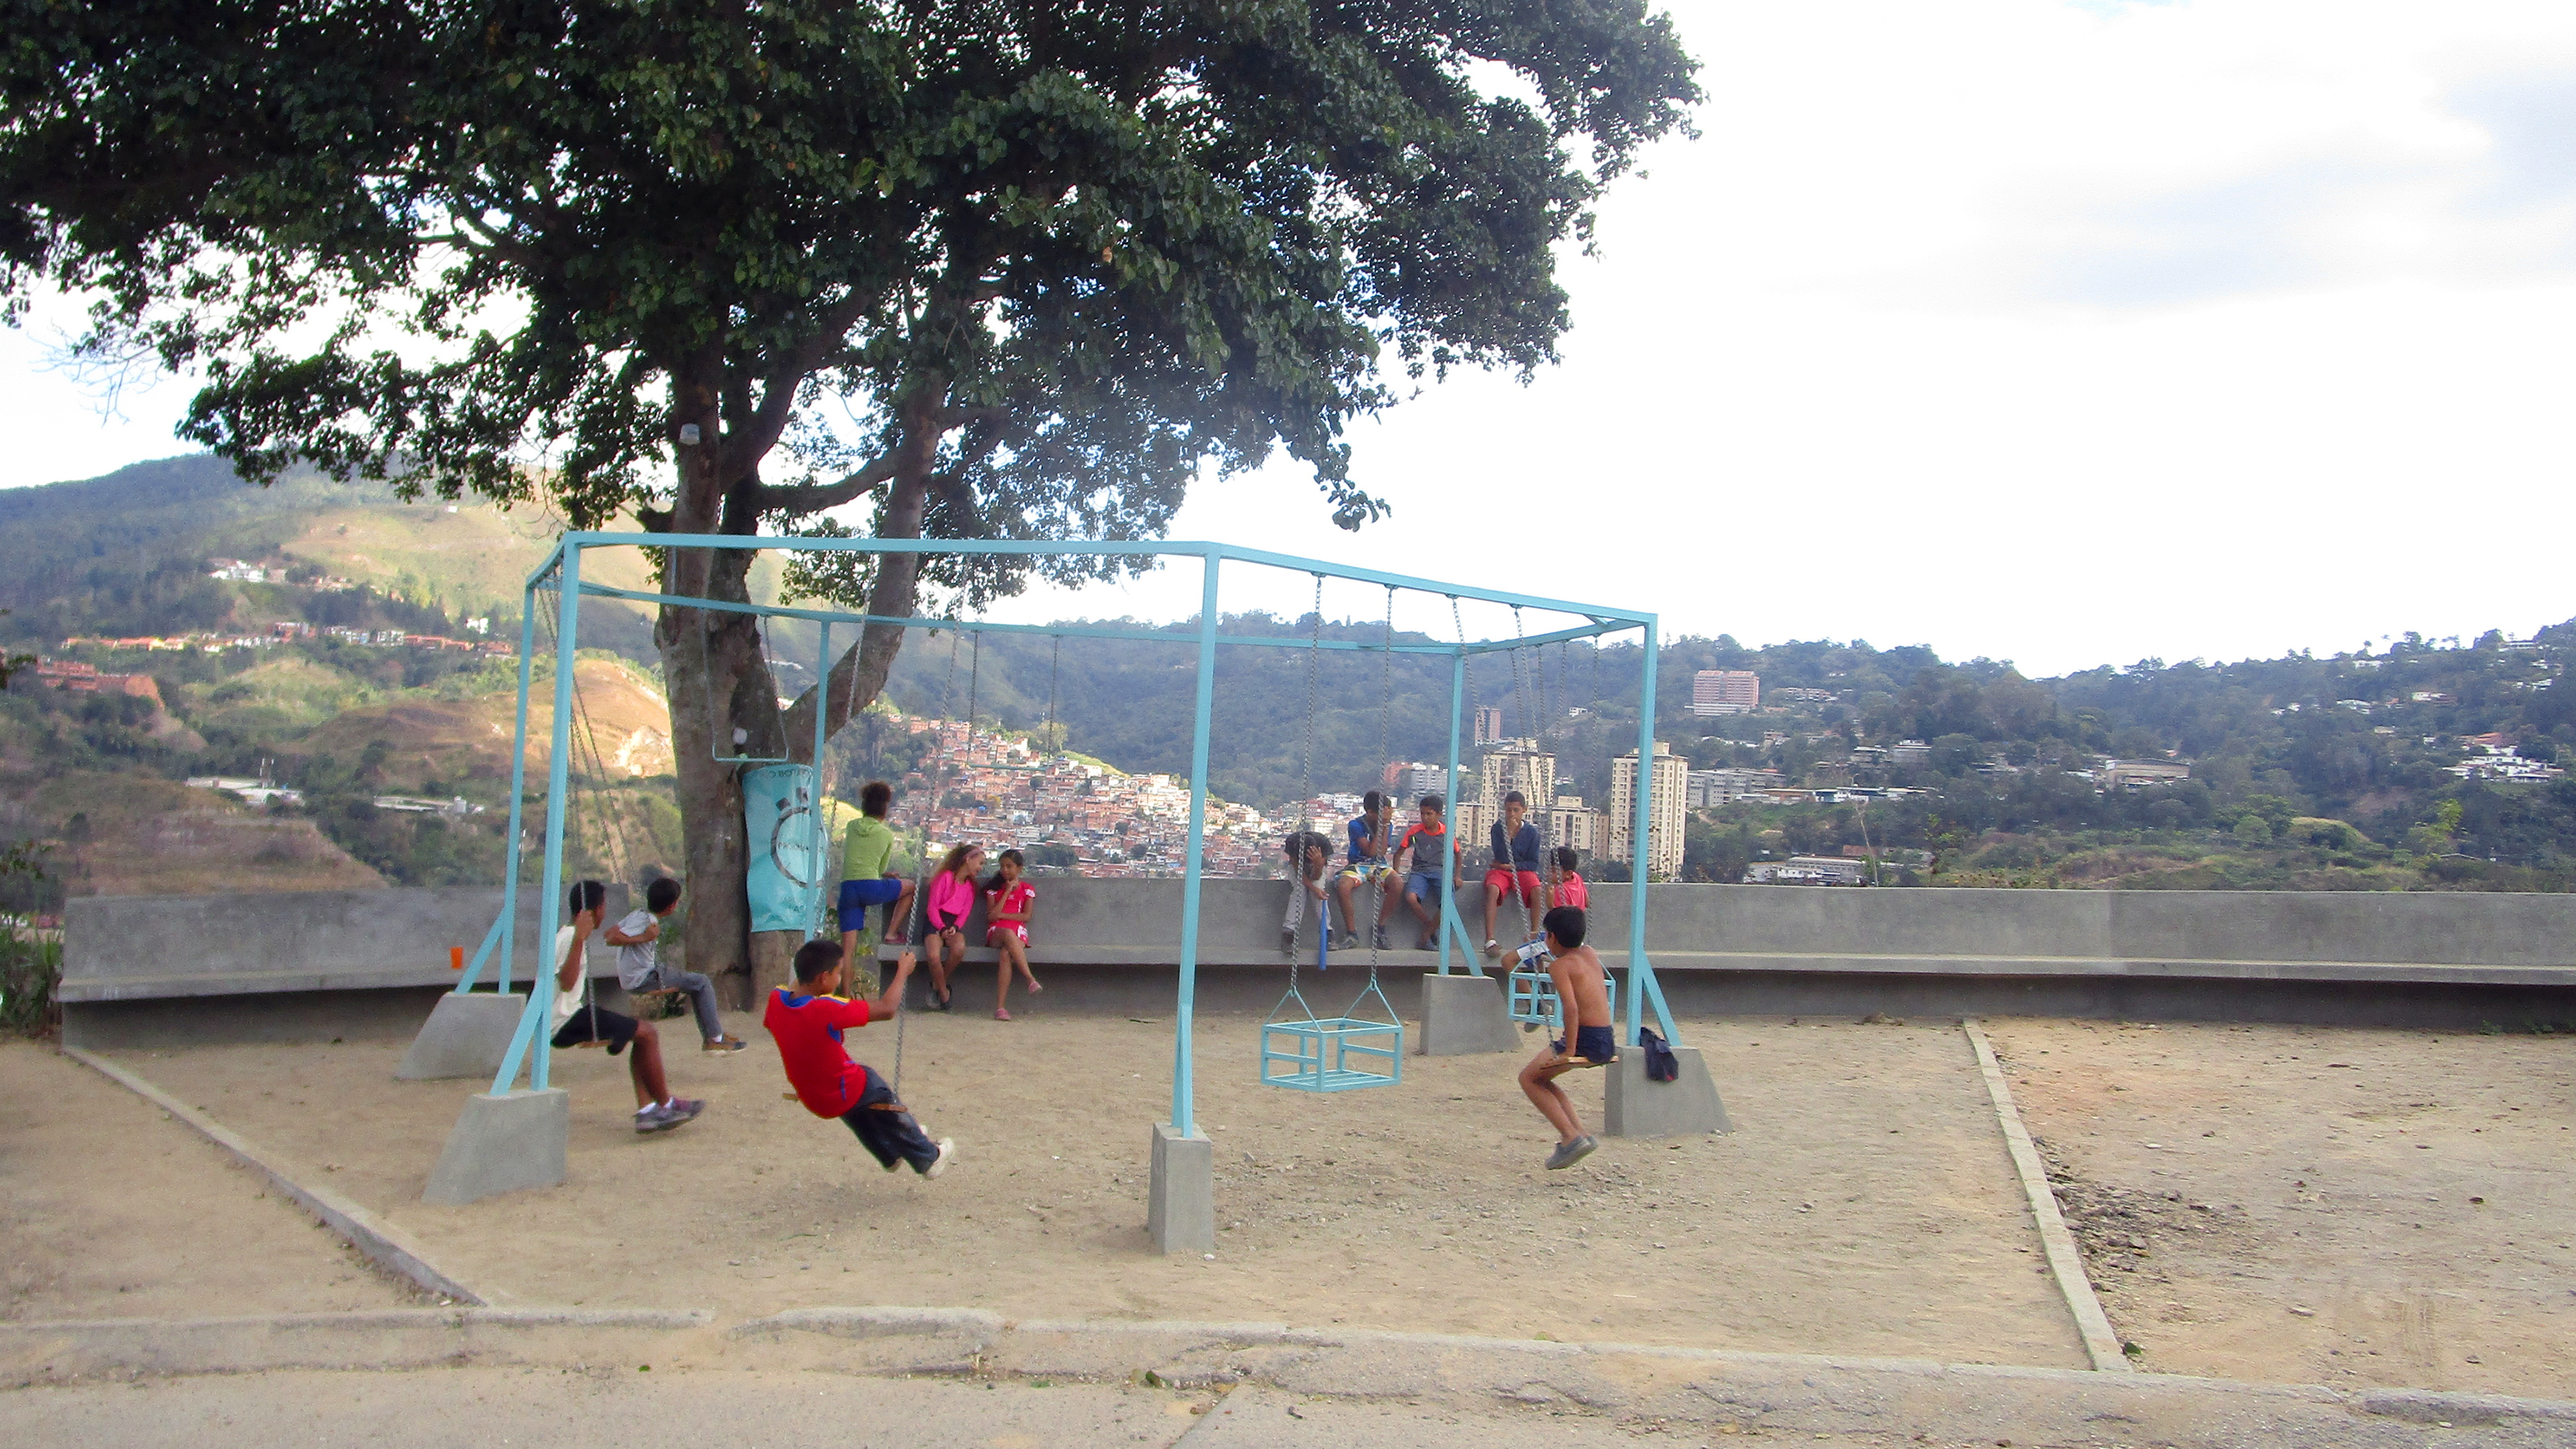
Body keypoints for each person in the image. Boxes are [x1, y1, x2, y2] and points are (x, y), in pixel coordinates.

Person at [763, 938, 954, 1178]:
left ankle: (888, 1153)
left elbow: (787, 1003)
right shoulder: (825, 1009)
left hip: (813, 1096)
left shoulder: (776, 1001)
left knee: (857, 1106)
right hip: (841, 1091)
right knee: (873, 1088)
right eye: (838, 973)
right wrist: (903, 971)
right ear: (824, 978)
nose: (840, 979)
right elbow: (887, 1009)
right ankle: (928, 1157)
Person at [552, 880, 702, 1133]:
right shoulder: (570, 937)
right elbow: (567, 983)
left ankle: (647, 1112)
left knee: (642, 1035)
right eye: (603, 906)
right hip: (565, 1019)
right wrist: (580, 938)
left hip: (569, 1013)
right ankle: (667, 1104)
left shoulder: (565, 935)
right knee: (648, 1033)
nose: (604, 912)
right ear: (594, 910)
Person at [1516, 905, 1618, 1170]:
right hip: (1606, 1038)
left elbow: (1571, 1009)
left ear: (1552, 938)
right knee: (1543, 1079)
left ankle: (1570, 1137)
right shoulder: (1590, 954)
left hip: (1584, 1039)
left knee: (1527, 1079)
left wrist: (1569, 1051)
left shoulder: (1560, 967)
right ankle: (1580, 1134)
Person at [606, 876, 748, 1053]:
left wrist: (638, 937)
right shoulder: (644, 921)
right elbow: (611, 939)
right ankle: (715, 1039)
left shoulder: (639, 915)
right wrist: (644, 938)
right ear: (671, 906)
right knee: (702, 982)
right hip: (644, 978)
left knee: (696, 984)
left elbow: (609, 933)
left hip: (642, 974)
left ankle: (714, 1036)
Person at [838, 783, 916, 987]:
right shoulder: (887, 835)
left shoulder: (852, 826)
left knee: (848, 951)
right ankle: (891, 933)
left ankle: (844, 999)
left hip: (848, 889)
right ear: (885, 808)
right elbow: (880, 867)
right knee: (910, 886)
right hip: (871, 887)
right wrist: (888, 875)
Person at [1384, 793, 1467, 950]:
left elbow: (1458, 855)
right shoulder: (1415, 832)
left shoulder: (1446, 834)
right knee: (1411, 897)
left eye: (1429, 814)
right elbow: (1399, 853)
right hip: (1419, 871)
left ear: (1438, 815)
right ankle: (1431, 928)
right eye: (1423, 814)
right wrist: (1396, 873)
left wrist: (1457, 876)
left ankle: (1425, 937)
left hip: (1439, 871)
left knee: (1448, 903)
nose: (1425, 817)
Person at [918, 842, 985, 1011]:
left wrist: (955, 927)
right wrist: (941, 928)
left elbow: (965, 912)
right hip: (936, 921)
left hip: (953, 923)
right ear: (968, 859)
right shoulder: (945, 878)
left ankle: (937, 985)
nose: (981, 868)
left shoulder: (970, 887)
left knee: (959, 949)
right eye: (980, 863)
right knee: (933, 956)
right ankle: (944, 993)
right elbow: (933, 907)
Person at [1480, 790, 1544, 958]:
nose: (1512, 814)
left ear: (1524, 810)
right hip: (1501, 871)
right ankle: (1490, 939)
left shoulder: (1532, 833)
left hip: (1521, 870)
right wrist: (1509, 834)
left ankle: (1534, 935)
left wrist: (1511, 866)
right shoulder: (1497, 829)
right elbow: (1500, 854)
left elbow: (1533, 863)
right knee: (1493, 889)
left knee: (1537, 889)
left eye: (1516, 810)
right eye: (1508, 810)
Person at [1330, 791, 1395, 952]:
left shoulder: (1388, 825)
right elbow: (1371, 851)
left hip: (1378, 865)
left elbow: (1382, 852)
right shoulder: (1356, 825)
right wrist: (1383, 826)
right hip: (1358, 864)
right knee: (1344, 886)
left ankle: (1380, 927)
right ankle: (1352, 933)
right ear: (1370, 812)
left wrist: (1385, 826)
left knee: (1398, 884)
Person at [984, 848, 1040, 1019]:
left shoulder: (1027, 889)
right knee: (1008, 934)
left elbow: (1026, 916)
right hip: (997, 932)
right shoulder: (994, 890)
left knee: (1006, 954)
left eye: (1009, 866)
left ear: (1019, 868)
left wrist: (1001, 915)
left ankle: (1001, 1008)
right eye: (1002, 867)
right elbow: (992, 917)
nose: (1005, 870)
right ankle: (1030, 979)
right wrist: (1007, 891)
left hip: (1019, 931)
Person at [1278, 827, 1334, 960]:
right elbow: (1300, 876)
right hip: (1297, 869)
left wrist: (1318, 864)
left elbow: (1316, 877)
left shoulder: (1324, 844)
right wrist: (1315, 890)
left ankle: (1327, 932)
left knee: (1319, 889)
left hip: (1319, 865)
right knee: (1299, 890)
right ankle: (1289, 933)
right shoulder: (1292, 843)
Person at [1550, 845, 1589, 911]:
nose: (1548, 874)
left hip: (1567, 920)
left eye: (1553, 871)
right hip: (1580, 919)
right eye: (1548, 869)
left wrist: (1550, 904)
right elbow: (1587, 903)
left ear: (1568, 874)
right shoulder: (1577, 877)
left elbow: (1559, 917)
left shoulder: (1559, 891)